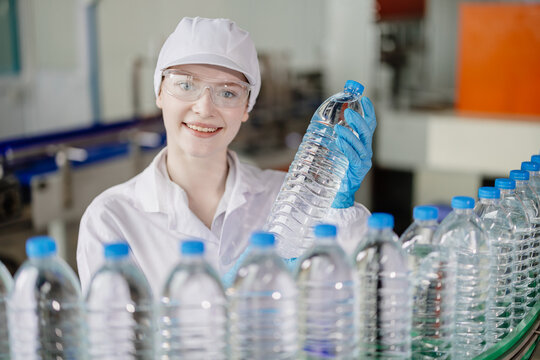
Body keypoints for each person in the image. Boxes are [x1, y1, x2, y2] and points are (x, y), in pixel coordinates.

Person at [77, 17, 376, 295]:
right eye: (185, 85)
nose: (204, 108)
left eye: (228, 93)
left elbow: (351, 296)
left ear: (247, 107)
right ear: (159, 93)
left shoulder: (287, 197)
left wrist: (339, 207)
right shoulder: (111, 219)